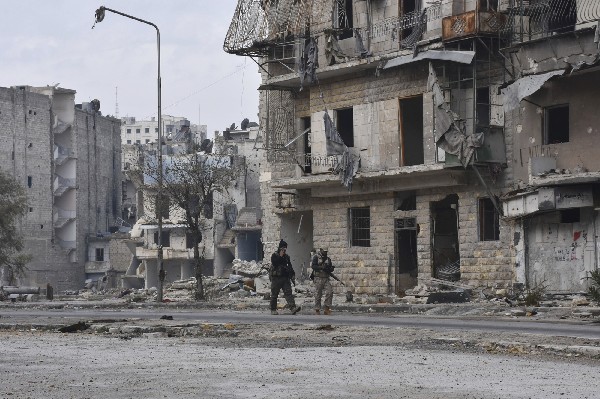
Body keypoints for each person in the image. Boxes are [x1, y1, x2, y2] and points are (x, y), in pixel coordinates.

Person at [269, 240, 301, 315]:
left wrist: (292, 274)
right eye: (283, 249)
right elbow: (275, 263)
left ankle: (293, 308)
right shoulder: (275, 255)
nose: (284, 250)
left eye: (285, 249)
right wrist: (280, 255)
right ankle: (273, 309)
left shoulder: (286, 257)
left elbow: (289, 266)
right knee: (274, 294)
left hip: (285, 278)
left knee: (288, 294)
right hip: (276, 278)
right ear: (280, 248)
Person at [311, 248, 334, 315]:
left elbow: (330, 267)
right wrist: (321, 267)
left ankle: (327, 308)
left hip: (326, 278)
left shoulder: (328, 259)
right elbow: (313, 266)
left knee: (330, 292)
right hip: (318, 278)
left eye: (326, 251)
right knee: (318, 294)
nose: (325, 252)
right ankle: (317, 309)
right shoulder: (316, 257)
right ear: (321, 250)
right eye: (324, 251)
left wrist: (331, 269)